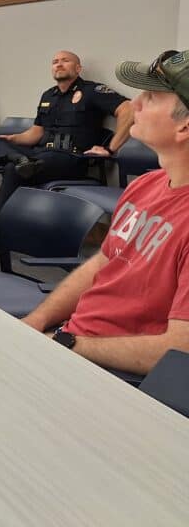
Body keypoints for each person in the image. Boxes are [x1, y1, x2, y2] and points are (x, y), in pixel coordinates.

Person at [21, 49, 189, 376]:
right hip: (74, 343)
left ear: (184, 128)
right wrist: (36, 321)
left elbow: (179, 352)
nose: (136, 104)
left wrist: (67, 344)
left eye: (152, 97)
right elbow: (103, 262)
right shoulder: (147, 184)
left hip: (114, 374)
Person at [0, 50, 132, 221]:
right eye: (55, 61)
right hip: (40, 154)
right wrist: (12, 140)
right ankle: (16, 157)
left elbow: (128, 109)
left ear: (78, 68)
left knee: (14, 170)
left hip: (70, 158)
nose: (59, 64)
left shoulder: (92, 91)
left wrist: (110, 149)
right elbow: (36, 133)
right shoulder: (48, 95)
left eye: (65, 61)